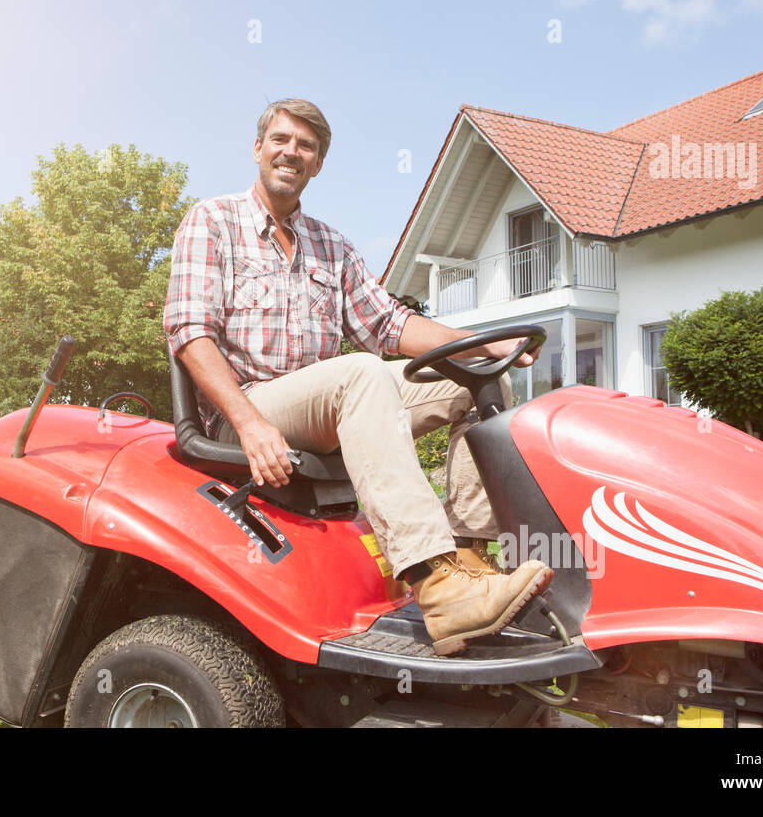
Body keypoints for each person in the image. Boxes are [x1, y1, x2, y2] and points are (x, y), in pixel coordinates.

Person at [163, 98, 552, 655]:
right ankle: (435, 585)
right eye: (281, 139)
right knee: (360, 373)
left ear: (317, 164)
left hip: (331, 401)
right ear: (258, 149)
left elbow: (389, 325)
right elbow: (190, 334)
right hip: (248, 408)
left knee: (477, 376)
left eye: (306, 146)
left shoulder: (332, 245)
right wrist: (249, 426)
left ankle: (468, 559)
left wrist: (483, 344)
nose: (291, 152)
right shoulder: (212, 222)